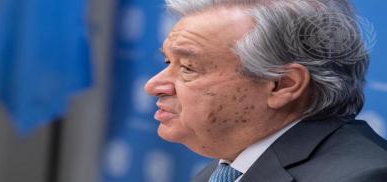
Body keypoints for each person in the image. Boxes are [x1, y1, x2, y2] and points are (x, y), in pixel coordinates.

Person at [144, 0, 387, 181]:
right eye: (168, 63)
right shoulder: (223, 171)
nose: (153, 86)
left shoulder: (363, 177)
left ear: (282, 84)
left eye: (188, 67)